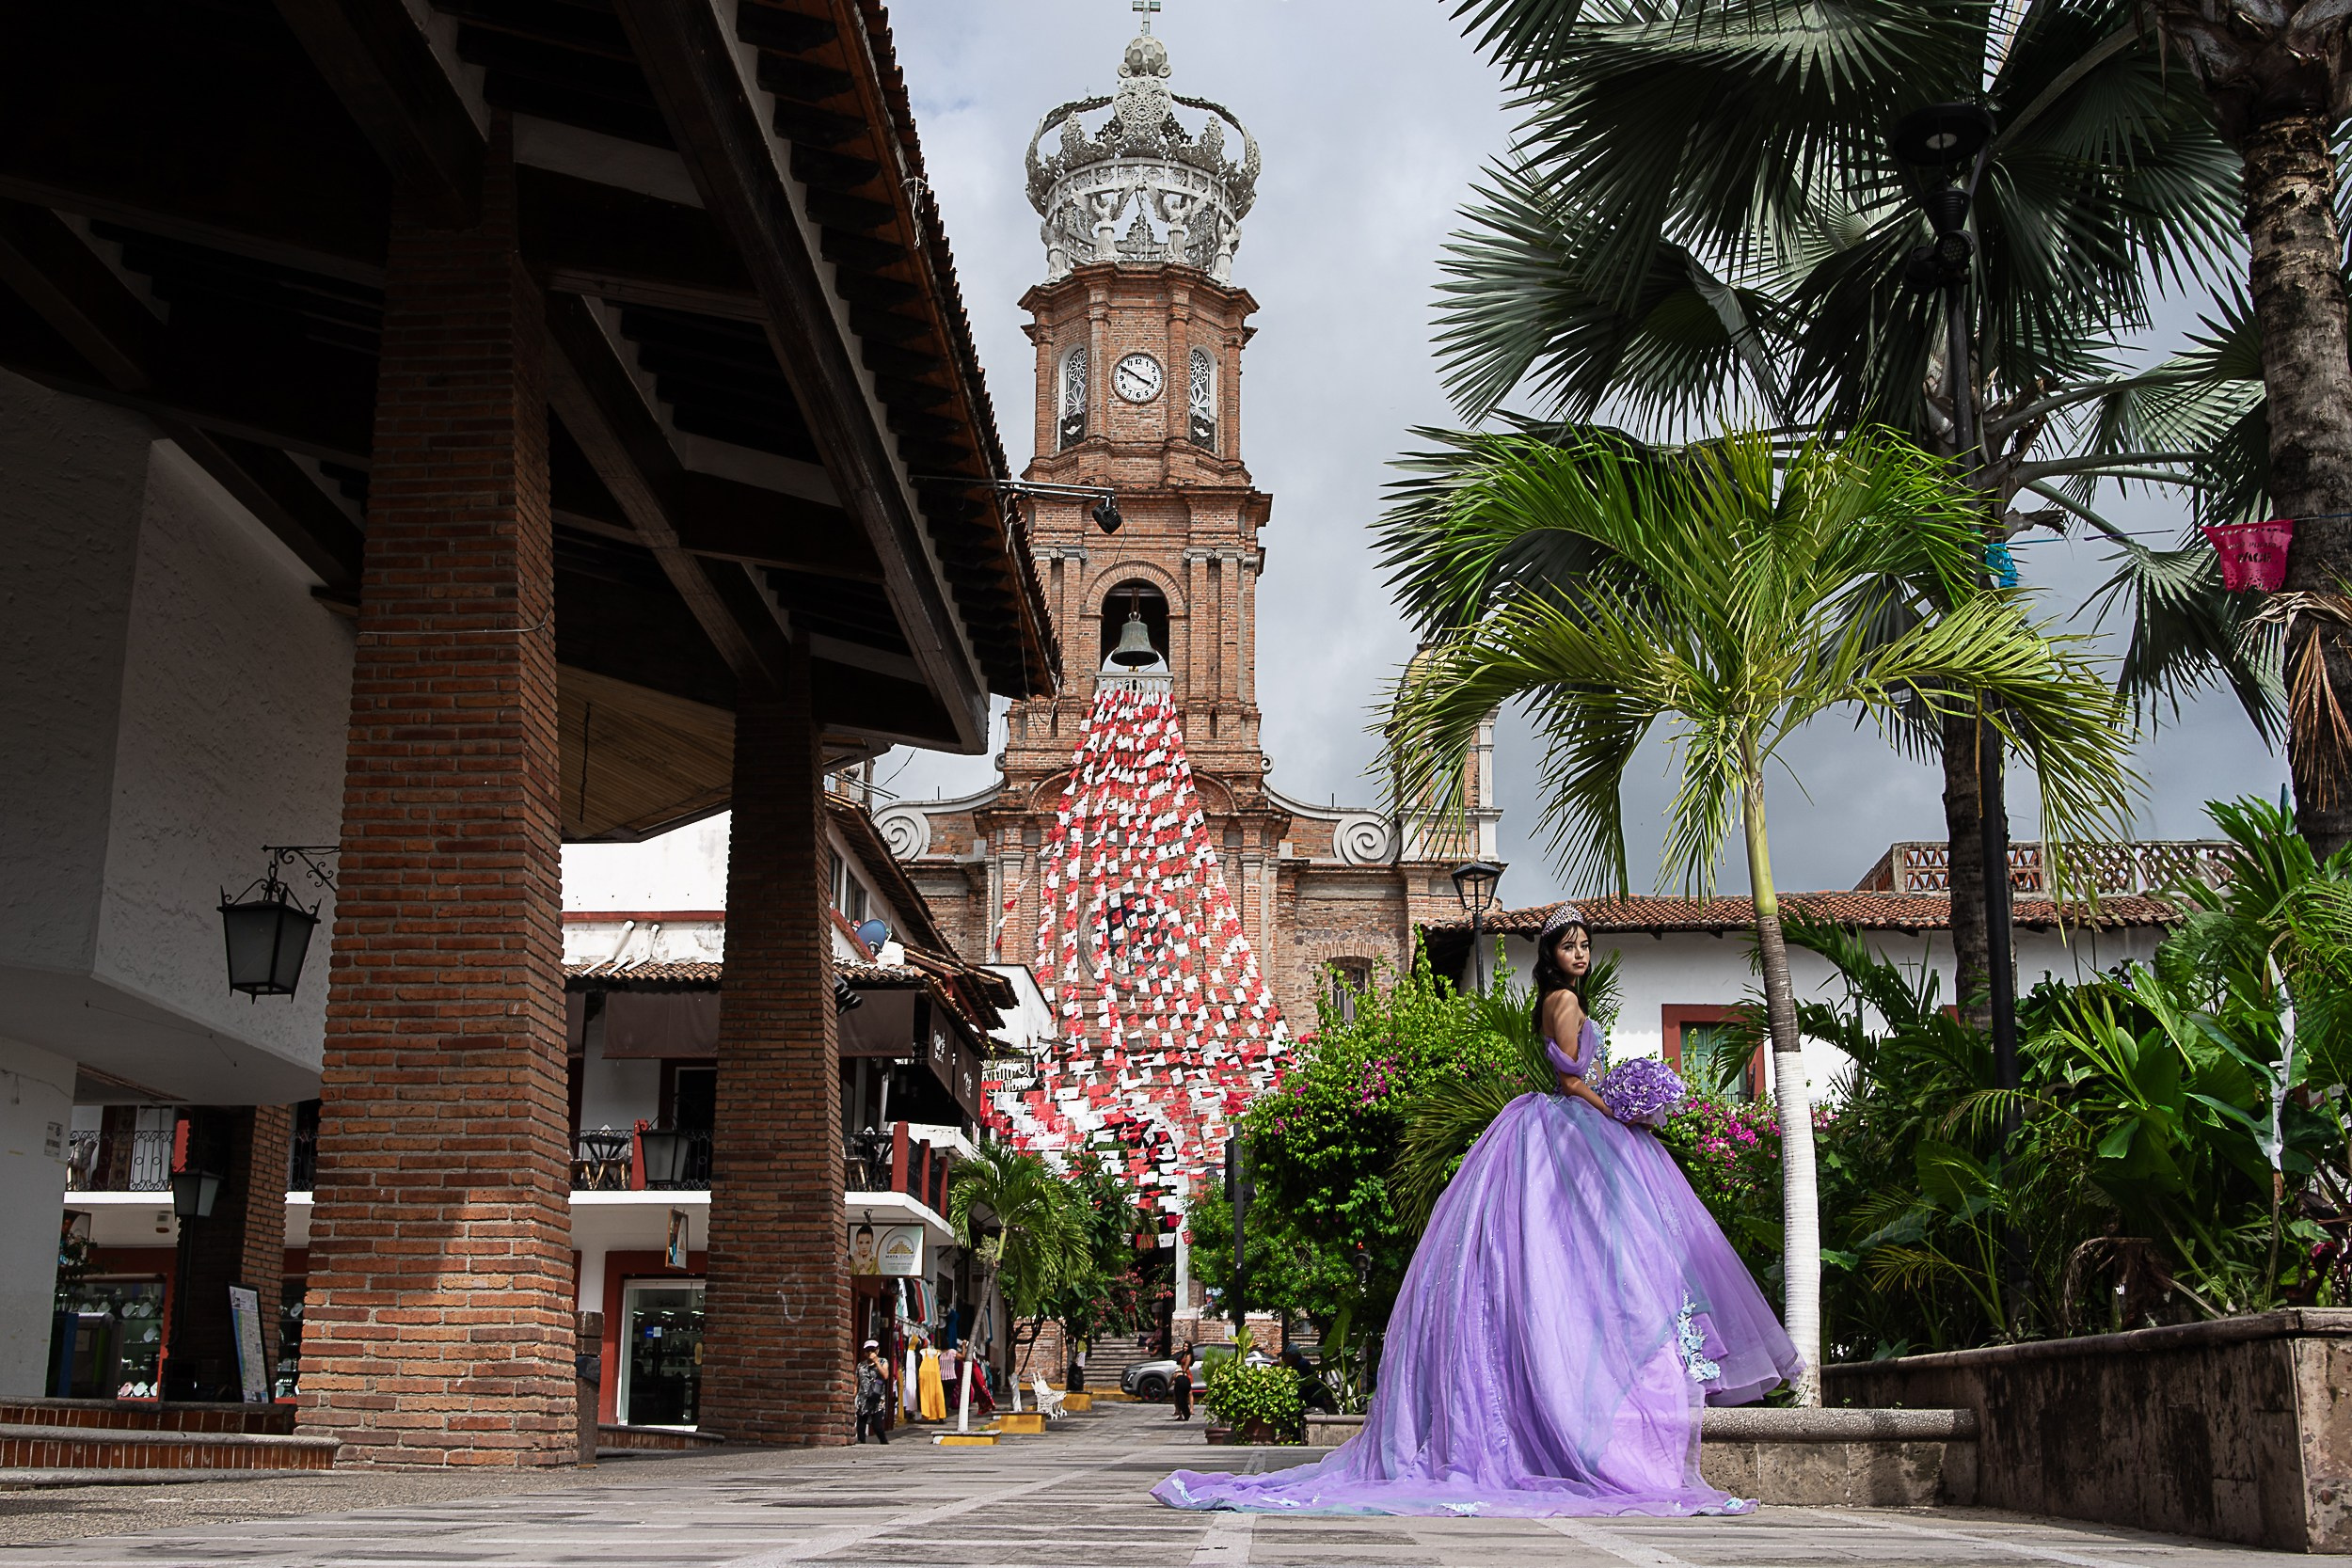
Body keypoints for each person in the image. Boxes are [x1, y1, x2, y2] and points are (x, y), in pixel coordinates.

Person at [1155, 903, 1801, 1517]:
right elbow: (1577, 1082)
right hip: (1577, 1126)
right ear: (1552, 954)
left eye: (1584, 945)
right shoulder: (1568, 1001)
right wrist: (1627, 1112)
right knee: (1601, 1258)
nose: (1580, 953)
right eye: (1570, 946)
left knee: (1548, 1258)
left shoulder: (1552, 1002)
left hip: (1551, 1126)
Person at [853, 1340, 890, 1445]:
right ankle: (862, 1444)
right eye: (867, 1351)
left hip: (877, 1399)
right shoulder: (860, 1366)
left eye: (872, 1350)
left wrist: (877, 1362)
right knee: (860, 1426)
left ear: (877, 1350)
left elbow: (885, 1375)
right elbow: (856, 1383)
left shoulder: (883, 1362)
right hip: (863, 1400)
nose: (870, 1353)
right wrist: (853, 1396)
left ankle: (884, 1442)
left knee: (877, 1426)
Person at [1170, 1345, 1194, 1422]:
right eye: (1184, 1346)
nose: (1184, 1348)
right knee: (1181, 1395)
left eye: (1186, 1346)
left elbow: (1185, 1367)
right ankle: (1179, 1411)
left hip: (1185, 1374)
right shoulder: (1183, 1354)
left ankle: (1191, 1409)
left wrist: (1182, 1373)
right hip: (1182, 1373)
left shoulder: (1188, 1355)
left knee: (1189, 1393)